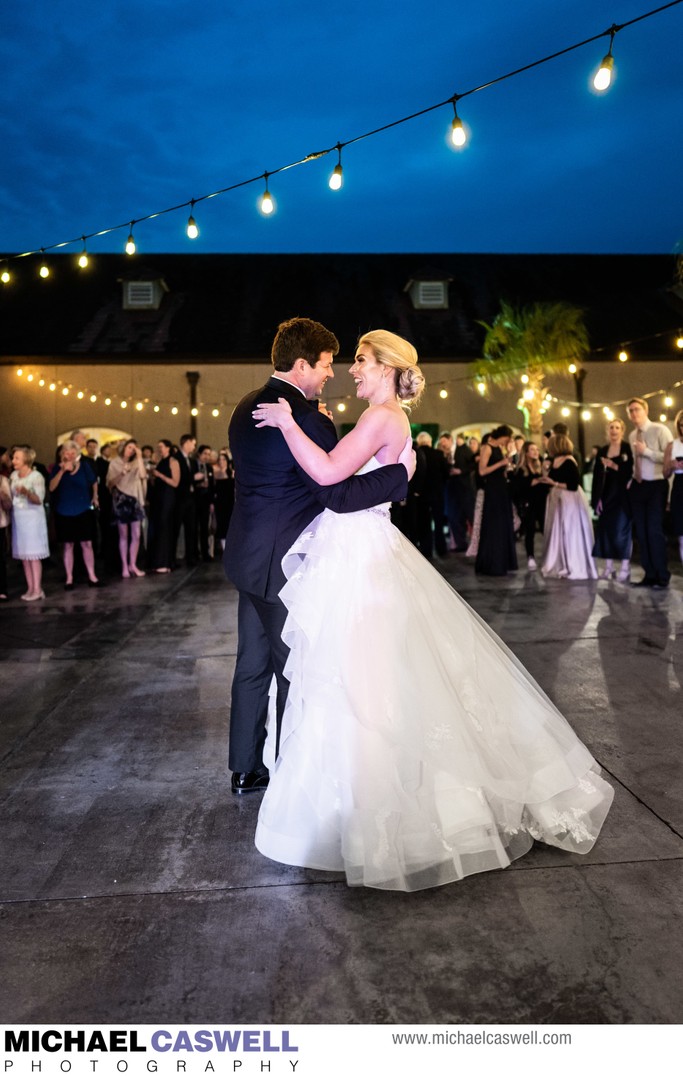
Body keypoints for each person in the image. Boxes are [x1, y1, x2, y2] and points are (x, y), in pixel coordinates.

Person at [251, 329, 613, 891]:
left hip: (359, 559)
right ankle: (349, 809)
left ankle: (367, 815)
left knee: (357, 679)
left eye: (363, 362)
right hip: (359, 548)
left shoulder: (381, 417)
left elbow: (326, 476)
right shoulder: (387, 417)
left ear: (390, 368)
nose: (353, 370)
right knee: (358, 677)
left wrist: (289, 423)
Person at [222, 317, 412, 796]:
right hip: (288, 567)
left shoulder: (245, 406)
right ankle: (291, 771)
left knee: (251, 664)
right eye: (326, 364)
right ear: (303, 364)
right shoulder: (309, 420)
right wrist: (399, 478)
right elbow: (337, 493)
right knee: (297, 668)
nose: (332, 372)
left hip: (246, 558)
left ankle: (245, 768)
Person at [627, 397, 673, 589]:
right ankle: (649, 574)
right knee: (642, 532)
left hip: (656, 484)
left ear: (645, 410)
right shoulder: (631, 435)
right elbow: (634, 461)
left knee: (654, 530)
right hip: (639, 485)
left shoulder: (659, 430)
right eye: (630, 411)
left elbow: (670, 458)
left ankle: (662, 575)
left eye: (637, 409)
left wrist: (647, 452)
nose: (634, 413)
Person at [541, 434, 596, 580]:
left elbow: (572, 485)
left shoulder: (570, 461)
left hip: (569, 500)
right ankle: (560, 562)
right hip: (557, 500)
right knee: (558, 532)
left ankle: (572, 563)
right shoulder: (554, 461)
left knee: (570, 531)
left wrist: (555, 484)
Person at [48, 440, 100, 589]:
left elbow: (93, 481)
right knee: (68, 545)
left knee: (87, 544)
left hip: (83, 509)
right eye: (66, 452)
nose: (70, 455)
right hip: (64, 510)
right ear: (62, 454)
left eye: (73, 452)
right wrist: (62, 471)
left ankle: (92, 575)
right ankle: (69, 578)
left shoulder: (84, 466)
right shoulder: (56, 468)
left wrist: (95, 496)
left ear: (77, 454)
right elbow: (51, 487)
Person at [591, 419, 634, 582]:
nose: (614, 430)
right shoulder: (602, 450)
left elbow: (631, 471)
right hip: (606, 495)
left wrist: (614, 466)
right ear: (607, 431)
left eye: (617, 428)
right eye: (611, 428)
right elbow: (596, 477)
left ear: (622, 431)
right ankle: (608, 567)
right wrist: (597, 499)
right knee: (606, 532)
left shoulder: (627, 448)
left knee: (621, 532)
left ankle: (625, 566)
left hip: (623, 496)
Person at [475, 424, 517, 576]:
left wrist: (506, 468)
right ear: (504, 436)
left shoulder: (500, 448)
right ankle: (492, 562)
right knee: (494, 525)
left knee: (503, 524)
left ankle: (503, 561)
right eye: (508, 438)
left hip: (501, 488)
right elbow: (482, 471)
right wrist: (501, 463)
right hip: (493, 490)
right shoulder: (487, 447)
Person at [10, 445, 50, 601]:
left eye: (17, 458)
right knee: (24, 556)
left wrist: (27, 492)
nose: (13, 461)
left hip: (32, 519)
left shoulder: (36, 476)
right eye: (13, 458)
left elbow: (39, 499)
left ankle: (38, 588)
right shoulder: (13, 475)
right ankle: (30, 587)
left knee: (33, 556)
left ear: (26, 459)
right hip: (19, 519)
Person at [106, 439, 148, 578]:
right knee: (123, 535)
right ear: (124, 448)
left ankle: (133, 564)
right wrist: (122, 473)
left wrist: (140, 457)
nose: (131, 450)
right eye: (129, 447)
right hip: (121, 498)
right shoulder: (114, 463)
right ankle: (124, 565)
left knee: (136, 534)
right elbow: (110, 484)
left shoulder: (136, 462)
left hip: (135, 498)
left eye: (134, 448)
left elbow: (143, 475)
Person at [512, 440, 549, 570]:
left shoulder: (540, 467)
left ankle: (550, 556)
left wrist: (542, 477)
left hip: (542, 502)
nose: (536, 452)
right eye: (532, 450)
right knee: (530, 531)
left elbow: (544, 485)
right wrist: (537, 480)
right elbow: (521, 487)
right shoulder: (521, 470)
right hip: (529, 503)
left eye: (537, 450)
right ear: (526, 453)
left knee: (547, 529)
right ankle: (530, 557)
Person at [148, 440, 180, 573]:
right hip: (158, 497)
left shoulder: (173, 462)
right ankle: (157, 561)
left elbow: (175, 482)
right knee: (158, 527)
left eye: (161, 446)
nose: (159, 449)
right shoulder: (160, 462)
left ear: (168, 448)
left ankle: (165, 562)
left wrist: (159, 475)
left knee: (164, 527)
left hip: (168, 497)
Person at [663, 408, 683, 568]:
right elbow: (665, 474)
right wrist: (671, 464)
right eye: (681, 425)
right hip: (679, 486)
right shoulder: (672, 445)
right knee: (682, 536)